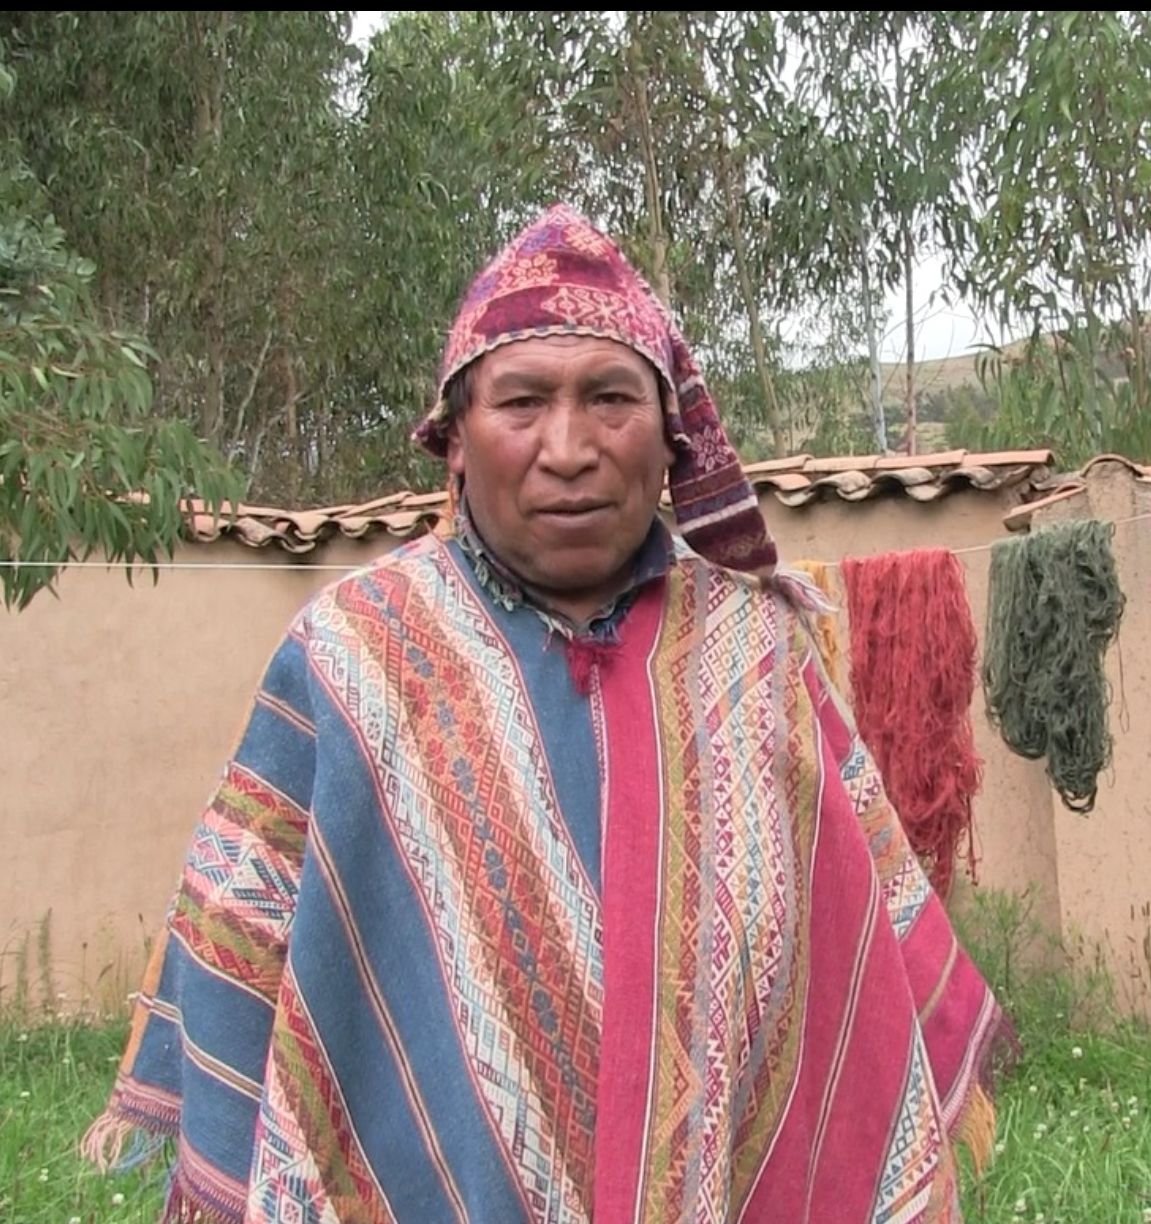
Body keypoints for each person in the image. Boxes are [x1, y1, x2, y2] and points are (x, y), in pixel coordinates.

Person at [83, 204, 1014, 1223]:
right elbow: (241, 936)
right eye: (520, 402)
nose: (567, 447)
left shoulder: (760, 652)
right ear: (454, 437)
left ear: (671, 438)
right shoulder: (353, 656)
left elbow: (858, 953)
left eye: (611, 398)